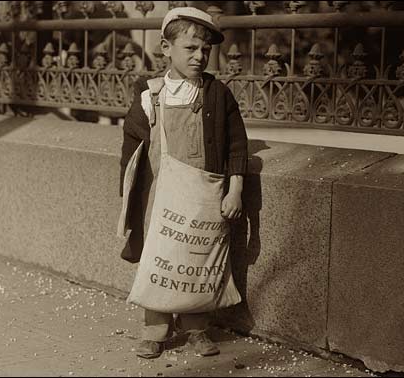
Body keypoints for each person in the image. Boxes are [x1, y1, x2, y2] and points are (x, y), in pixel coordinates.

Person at [119, 7, 248, 359]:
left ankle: (197, 329)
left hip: (204, 194)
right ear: (166, 47)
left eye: (205, 50)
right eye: (190, 48)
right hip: (160, 195)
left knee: (199, 257)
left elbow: (237, 145)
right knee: (159, 260)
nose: (199, 56)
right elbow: (132, 150)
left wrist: (235, 189)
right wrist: (129, 198)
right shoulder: (150, 95)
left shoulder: (217, 95)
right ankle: (155, 330)